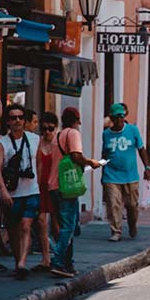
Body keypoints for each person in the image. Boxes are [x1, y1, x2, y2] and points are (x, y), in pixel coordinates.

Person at [52, 107, 100, 277]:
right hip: (67, 186)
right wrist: (91, 162)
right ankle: (57, 260)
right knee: (69, 227)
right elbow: (76, 156)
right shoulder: (73, 134)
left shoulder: (57, 135)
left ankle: (67, 263)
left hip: (54, 185)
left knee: (64, 225)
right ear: (76, 119)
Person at [0, 103, 39, 280]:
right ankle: (17, 260)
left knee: (26, 226)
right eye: (13, 118)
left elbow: (40, 165)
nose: (17, 121)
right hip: (12, 193)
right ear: (8, 122)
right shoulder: (2, 143)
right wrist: (3, 191)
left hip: (32, 191)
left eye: (20, 117)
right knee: (14, 230)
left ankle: (22, 263)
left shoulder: (34, 139)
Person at [101, 103, 150, 242]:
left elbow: (141, 150)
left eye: (122, 117)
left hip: (130, 176)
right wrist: (102, 173)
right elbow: (104, 154)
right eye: (117, 117)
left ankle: (132, 225)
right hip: (111, 175)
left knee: (132, 206)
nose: (119, 120)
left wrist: (147, 168)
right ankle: (116, 231)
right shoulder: (106, 134)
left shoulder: (133, 130)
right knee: (114, 204)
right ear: (111, 118)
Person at [33, 111, 61, 272]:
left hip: (56, 188)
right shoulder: (38, 144)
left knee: (56, 226)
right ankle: (46, 258)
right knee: (42, 222)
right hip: (42, 188)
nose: (47, 132)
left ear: (55, 128)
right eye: (44, 129)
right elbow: (38, 166)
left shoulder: (59, 144)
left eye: (50, 129)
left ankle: (59, 254)